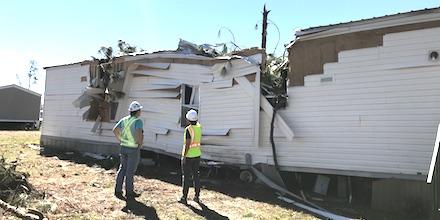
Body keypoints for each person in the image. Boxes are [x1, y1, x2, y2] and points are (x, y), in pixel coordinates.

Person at [113, 101, 144, 200]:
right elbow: (139, 133)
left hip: (123, 147)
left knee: (122, 168)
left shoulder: (124, 120)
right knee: (130, 171)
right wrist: (139, 143)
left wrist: (121, 139)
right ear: (137, 111)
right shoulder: (138, 121)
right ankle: (129, 192)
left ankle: (118, 190)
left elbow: (115, 130)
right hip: (133, 148)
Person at [179, 109, 202, 204]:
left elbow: (188, 143)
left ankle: (184, 197)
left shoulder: (188, 129)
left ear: (188, 119)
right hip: (197, 154)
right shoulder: (199, 127)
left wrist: (184, 156)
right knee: (196, 175)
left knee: (186, 177)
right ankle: (197, 196)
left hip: (189, 156)